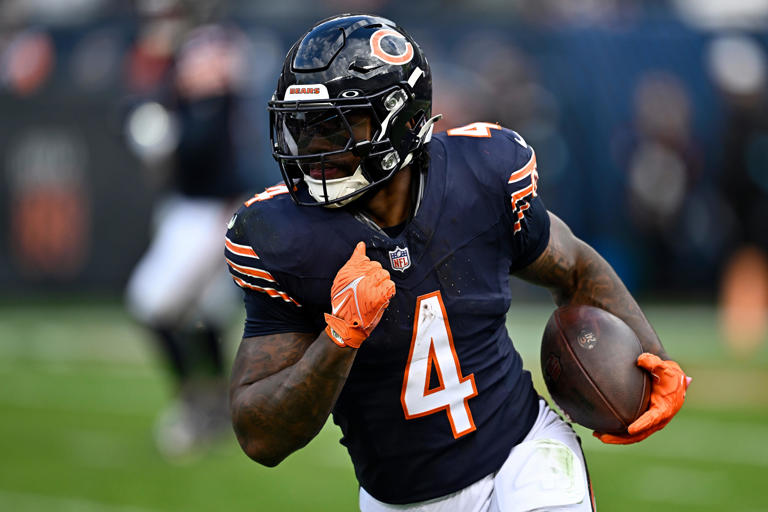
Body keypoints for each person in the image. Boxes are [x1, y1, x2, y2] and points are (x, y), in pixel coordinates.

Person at [225, 14, 689, 510]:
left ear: (399, 121)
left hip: (523, 454)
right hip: (400, 496)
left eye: (333, 125)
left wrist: (651, 356)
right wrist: (340, 338)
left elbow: (575, 266)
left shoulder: (481, 177)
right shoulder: (283, 236)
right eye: (301, 126)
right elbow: (260, 437)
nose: (311, 147)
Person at [125, 24, 248, 459]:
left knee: (154, 304)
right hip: (186, 212)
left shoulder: (217, 106)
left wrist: (165, 135)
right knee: (204, 315)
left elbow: (195, 148)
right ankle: (213, 405)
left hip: (208, 216)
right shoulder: (184, 101)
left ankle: (195, 402)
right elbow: (142, 100)